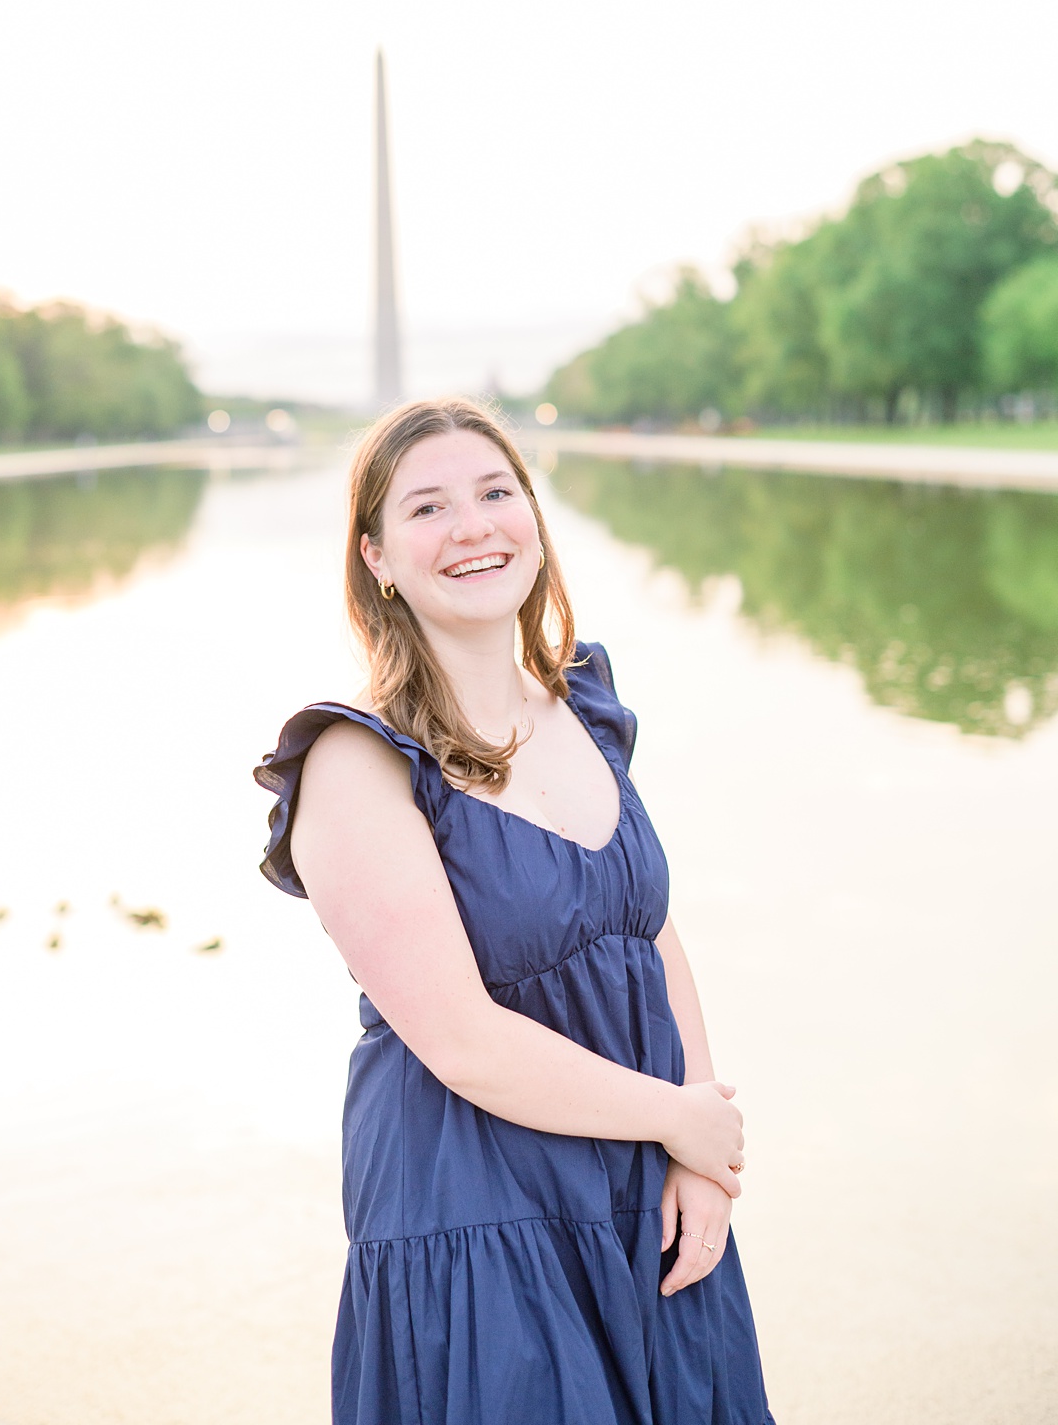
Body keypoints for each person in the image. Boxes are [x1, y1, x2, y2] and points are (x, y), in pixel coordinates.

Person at [255, 399, 770, 1423]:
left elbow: (648, 928)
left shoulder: (583, 706)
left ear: (533, 514)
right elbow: (463, 1043)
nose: (475, 526)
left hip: (642, 1184)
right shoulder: (357, 762)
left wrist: (702, 1153)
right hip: (479, 1210)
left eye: (497, 492)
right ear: (379, 557)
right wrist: (679, 1117)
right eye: (430, 506)